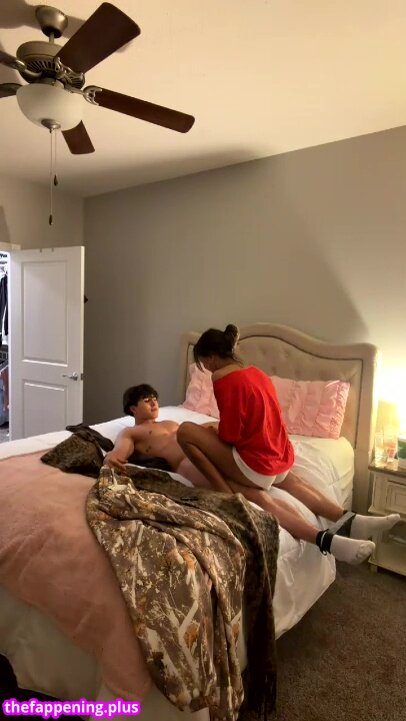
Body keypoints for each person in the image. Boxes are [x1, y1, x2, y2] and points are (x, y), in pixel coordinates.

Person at [176, 324, 400, 565]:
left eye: (204, 363)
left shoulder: (225, 381)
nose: (207, 369)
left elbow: (231, 435)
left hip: (255, 467)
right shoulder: (256, 373)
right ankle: (349, 520)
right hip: (278, 456)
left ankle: (225, 492)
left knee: (185, 431)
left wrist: (214, 431)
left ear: (211, 357)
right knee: (297, 483)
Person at [103, 383, 215, 487]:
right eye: (147, 401)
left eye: (155, 399)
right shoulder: (131, 431)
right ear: (133, 409)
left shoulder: (170, 423)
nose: (154, 403)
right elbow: (119, 452)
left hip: (204, 451)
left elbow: (191, 431)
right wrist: (112, 457)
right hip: (186, 462)